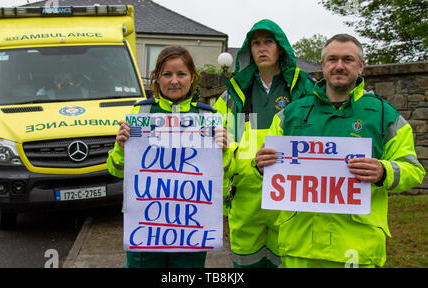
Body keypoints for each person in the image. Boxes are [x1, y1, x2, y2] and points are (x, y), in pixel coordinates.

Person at [255, 34, 426, 268]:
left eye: (348, 60)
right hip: (298, 246)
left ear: (361, 66)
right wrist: (261, 164)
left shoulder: (385, 115)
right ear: (323, 65)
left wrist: (383, 171)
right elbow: (265, 166)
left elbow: (413, 170)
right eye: (332, 59)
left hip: (357, 249)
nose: (339, 66)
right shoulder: (291, 113)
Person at [107, 46, 228, 268]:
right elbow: (115, 170)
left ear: (193, 78)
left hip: (191, 229)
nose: (174, 81)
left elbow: (225, 176)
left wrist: (224, 151)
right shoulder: (140, 114)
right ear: (157, 78)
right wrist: (121, 147)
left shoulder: (208, 117)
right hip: (146, 227)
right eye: (167, 74)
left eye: (181, 74)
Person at [213, 19, 315, 268]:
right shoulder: (236, 92)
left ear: (280, 47)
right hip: (247, 198)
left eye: (268, 42)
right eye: (256, 43)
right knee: (246, 262)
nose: (262, 48)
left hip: (290, 195)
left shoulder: (303, 87)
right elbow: (220, 140)